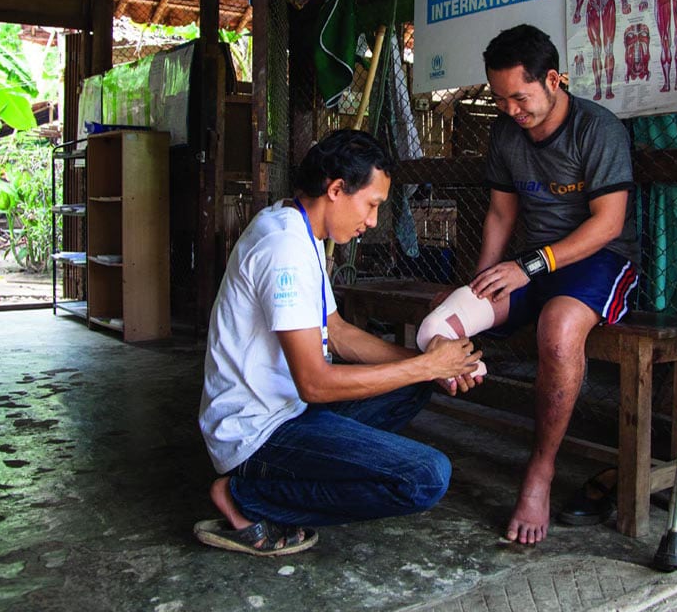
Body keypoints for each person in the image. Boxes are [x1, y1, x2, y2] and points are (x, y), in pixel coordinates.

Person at [194, 129, 484, 557]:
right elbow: (315, 382)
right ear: (335, 190)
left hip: (289, 411)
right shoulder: (284, 248)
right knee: (426, 477)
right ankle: (245, 496)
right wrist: (427, 366)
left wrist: (433, 364)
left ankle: (291, 477)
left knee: (417, 380)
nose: (371, 221)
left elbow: (340, 332)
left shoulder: (298, 228)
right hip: (255, 435)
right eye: (371, 205)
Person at [424, 24, 639, 545]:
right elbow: (501, 211)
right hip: (530, 263)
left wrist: (530, 267)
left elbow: (608, 224)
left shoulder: (598, 128)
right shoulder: (505, 133)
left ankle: (539, 473)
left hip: (598, 260)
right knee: (443, 317)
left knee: (559, 328)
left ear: (554, 79)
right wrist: (482, 279)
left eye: (519, 98)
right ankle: (440, 394)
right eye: (500, 100)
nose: (510, 111)